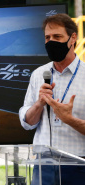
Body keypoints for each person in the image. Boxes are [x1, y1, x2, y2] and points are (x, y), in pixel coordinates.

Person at [19, 13, 85, 185]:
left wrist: (69, 119)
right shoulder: (39, 74)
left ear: (73, 38)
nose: (51, 42)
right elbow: (27, 122)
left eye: (57, 36)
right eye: (47, 37)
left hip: (78, 165)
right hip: (43, 164)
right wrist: (39, 103)